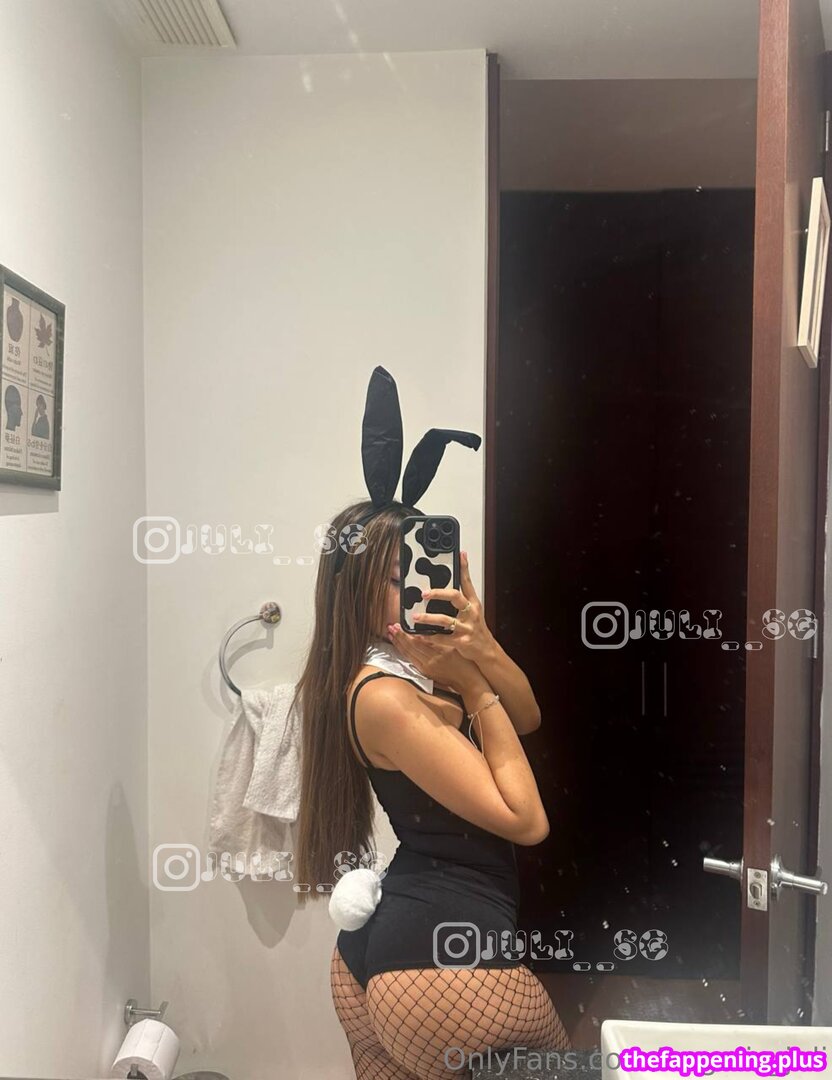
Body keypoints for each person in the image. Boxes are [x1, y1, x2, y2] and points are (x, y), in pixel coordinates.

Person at [293, 497, 570, 1080]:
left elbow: (525, 716)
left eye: (421, 572)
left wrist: (480, 641)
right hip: (441, 961)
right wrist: (471, 684)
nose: (420, 590)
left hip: (399, 949)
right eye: (398, 581)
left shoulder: (415, 664)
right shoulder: (385, 697)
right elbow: (526, 821)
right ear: (354, 588)